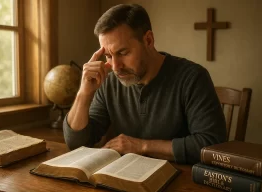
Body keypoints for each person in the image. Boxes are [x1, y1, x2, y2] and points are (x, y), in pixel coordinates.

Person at [63, 4, 226, 164]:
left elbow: (211, 144)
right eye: (108, 56)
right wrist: (84, 93)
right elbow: (76, 144)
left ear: (148, 40)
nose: (115, 67)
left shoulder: (193, 78)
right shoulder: (110, 83)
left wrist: (142, 146)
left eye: (123, 53)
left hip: (183, 181)